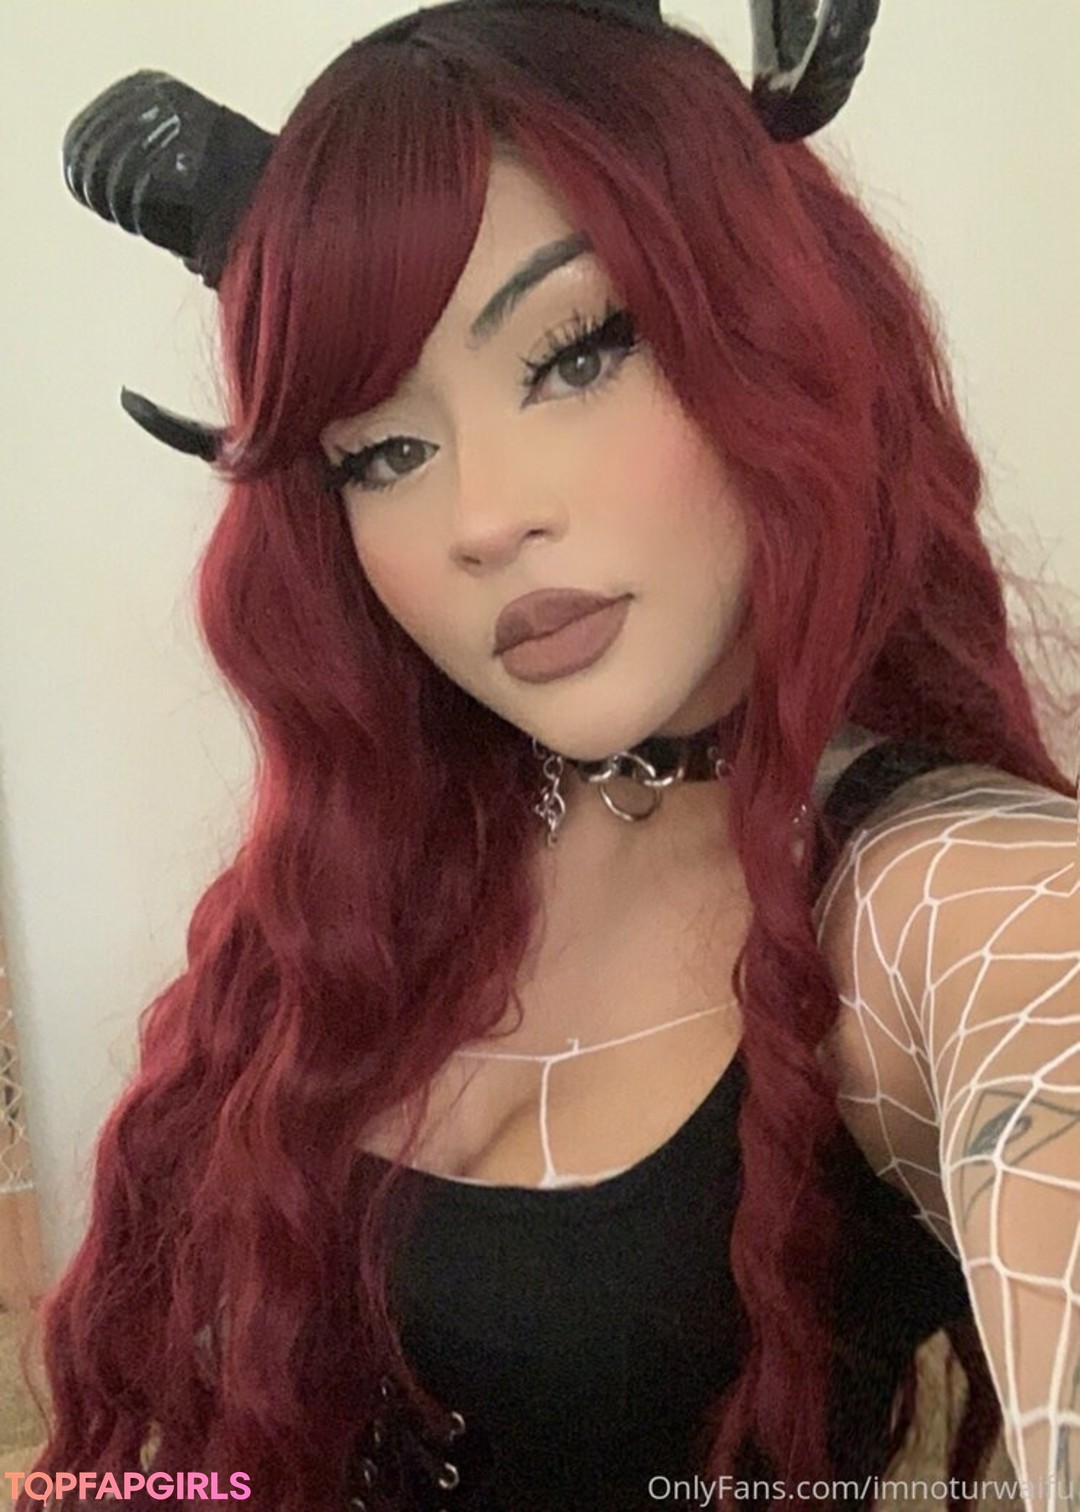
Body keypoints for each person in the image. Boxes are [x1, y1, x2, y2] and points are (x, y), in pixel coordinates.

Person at [25, 1, 1080, 1509]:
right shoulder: (396, 862)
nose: (481, 517)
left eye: (578, 353)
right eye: (384, 451)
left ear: (778, 324)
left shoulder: (951, 903)